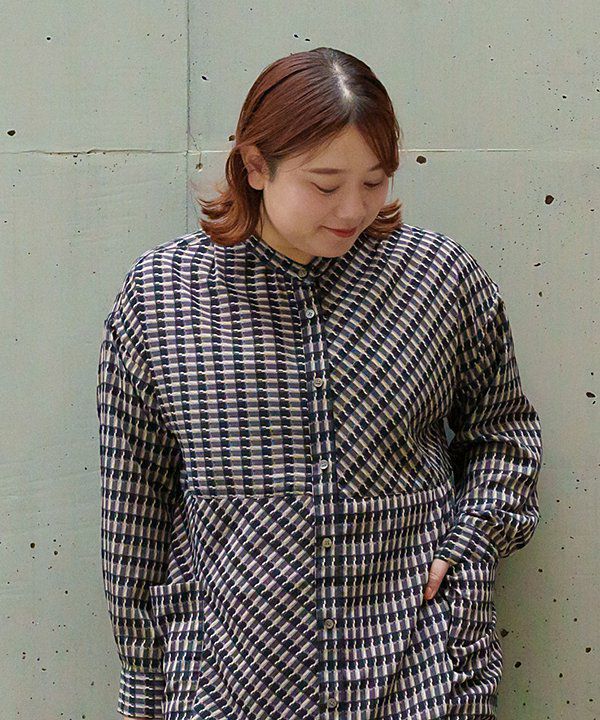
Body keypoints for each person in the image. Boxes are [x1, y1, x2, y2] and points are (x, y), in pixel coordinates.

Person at [97, 47, 543, 720]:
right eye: (326, 184)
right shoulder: (162, 296)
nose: (353, 208)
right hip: (230, 683)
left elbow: (504, 433)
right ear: (255, 166)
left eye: (375, 181)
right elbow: (135, 507)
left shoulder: (437, 279)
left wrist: (471, 545)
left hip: (418, 674)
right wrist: (142, 687)